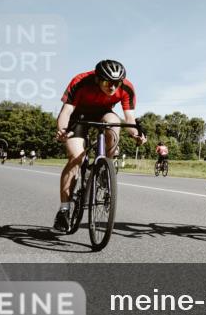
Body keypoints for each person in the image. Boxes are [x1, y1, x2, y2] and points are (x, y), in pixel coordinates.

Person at [52, 59, 146, 233]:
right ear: (97, 79)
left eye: (116, 83)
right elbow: (66, 112)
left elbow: (130, 118)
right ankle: (64, 210)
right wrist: (63, 131)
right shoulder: (80, 81)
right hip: (78, 116)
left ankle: (105, 167)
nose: (112, 87)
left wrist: (137, 135)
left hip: (103, 113)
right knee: (76, 158)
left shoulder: (127, 88)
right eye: (106, 82)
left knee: (114, 122)